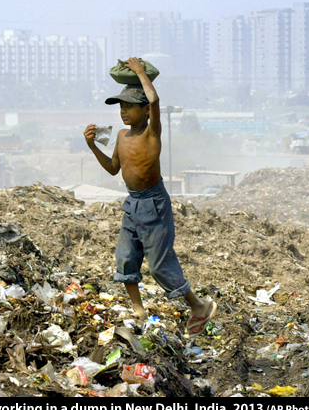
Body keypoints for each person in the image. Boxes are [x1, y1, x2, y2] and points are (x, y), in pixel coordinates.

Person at [83, 57, 217, 337]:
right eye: (121, 106)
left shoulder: (151, 132)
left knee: (159, 265)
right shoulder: (120, 136)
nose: (123, 112)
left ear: (145, 110)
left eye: (129, 106)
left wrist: (141, 73)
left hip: (154, 203)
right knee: (126, 257)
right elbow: (112, 169)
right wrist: (92, 146)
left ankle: (199, 306)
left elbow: (155, 102)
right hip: (132, 203)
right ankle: (139, 311)